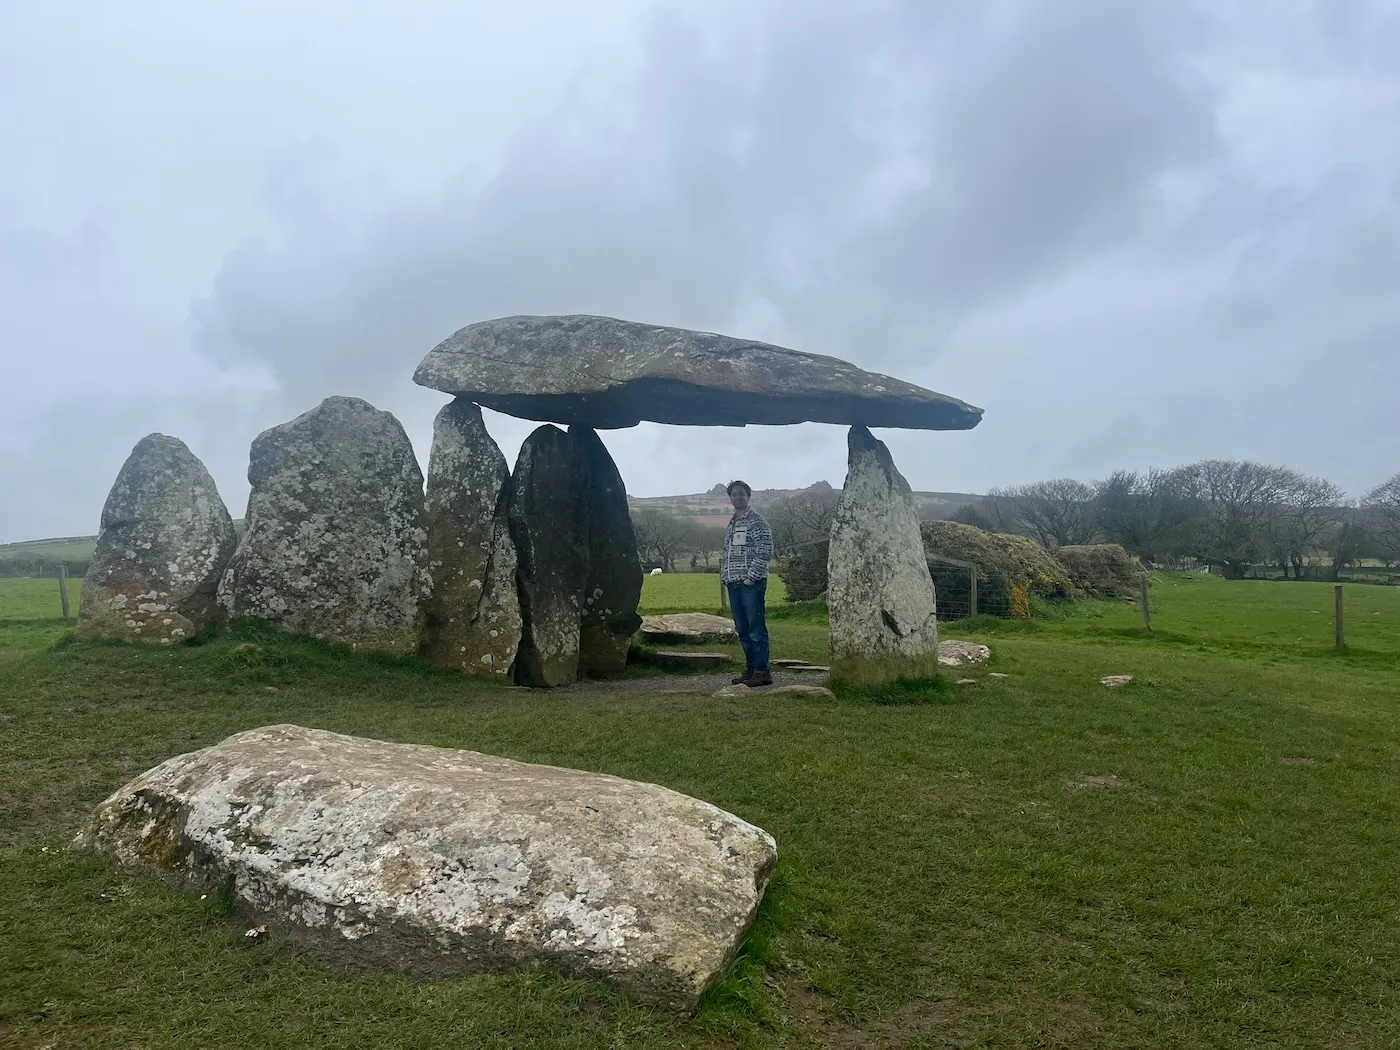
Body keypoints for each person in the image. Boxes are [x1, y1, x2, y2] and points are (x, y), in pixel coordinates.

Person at [721, 480, 773, 686]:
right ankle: (751, 669)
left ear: (748, 496)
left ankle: (762, 671)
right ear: (730, 498)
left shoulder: (757, 521)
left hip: (751, 584)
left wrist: (751, 577)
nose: (738, 497)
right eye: (734, 494)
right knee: (742, 629)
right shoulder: (732, 523)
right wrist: (726, 578)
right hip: (733, 583)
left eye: (742, 493)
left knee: (756, 629)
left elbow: (765, 550)